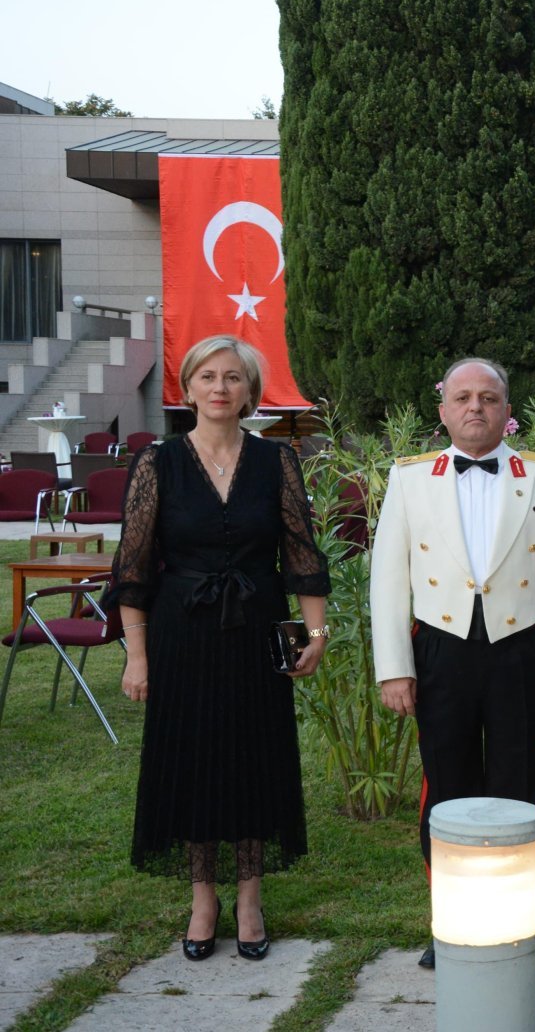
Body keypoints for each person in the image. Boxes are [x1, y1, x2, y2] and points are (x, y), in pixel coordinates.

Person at [113, 334, 331, 963]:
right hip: (182, 633)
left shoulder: (276, 463)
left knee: (254, 755)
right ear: (188, 387)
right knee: (192, 757)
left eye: (232, 377)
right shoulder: (158, 463)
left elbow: (301, 554)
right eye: (207, 376)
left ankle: (251, 897)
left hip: (258, 628)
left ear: (248, 392)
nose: (219, 388)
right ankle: (202, 898)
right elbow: (133, 567)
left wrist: (313, 633)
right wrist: (137, 654)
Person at [371, 357, 535, 970]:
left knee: (520, 782)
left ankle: (521, 923)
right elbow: (388, 582)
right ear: (442, 411)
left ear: (507, 411)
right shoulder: (410, 479)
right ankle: (452, 921)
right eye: (462, 397)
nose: (475, 408)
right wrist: (394, 667)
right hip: (440, 647)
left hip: (519, 648)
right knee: (448, 782)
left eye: (488, 398)